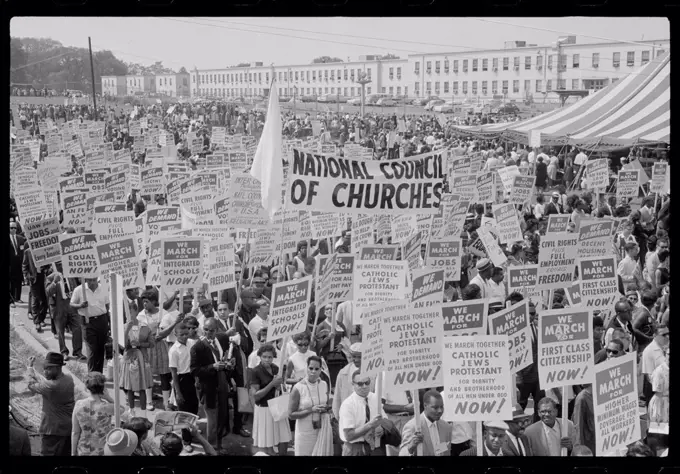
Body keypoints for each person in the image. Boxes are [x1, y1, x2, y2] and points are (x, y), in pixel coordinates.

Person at [189, 317, 233, 453]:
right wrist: (212, 366)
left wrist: (227, 365)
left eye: (212, 330)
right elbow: (194, 370)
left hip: (222, 383)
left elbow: (224, 358)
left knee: (222, 416)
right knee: (212, 420)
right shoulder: (198, 347)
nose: (209, 333)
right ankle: (212, 447)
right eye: (206, 330)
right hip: (208, 388)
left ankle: (219, 444)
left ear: (217, 330)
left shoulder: (220, 339)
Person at [26, 352, 75, 456]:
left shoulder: (51, 386)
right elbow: (44, 382)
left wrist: (29, 367)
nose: (45, 371)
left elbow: (30, 385)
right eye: (44, 368)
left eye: (48, 368)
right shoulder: (69, 378)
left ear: (57, 368)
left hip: (52, 431)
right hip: (67, 428)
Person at [137, 288, 178, 411]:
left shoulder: (164, 313)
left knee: (164, 374)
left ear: (154, 301)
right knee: (148, 374)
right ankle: (149, 401)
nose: (145, 304)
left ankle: (166, 402)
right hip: (148, 347)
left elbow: (167, 332)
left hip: (161, 346)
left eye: (147, 302)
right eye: (143, 302)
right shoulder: (141, 315)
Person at [249, 343, 291, 456]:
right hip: (264, 409)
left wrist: (281, 385)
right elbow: (256, 396)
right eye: (264, 357)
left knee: (284, 436)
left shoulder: (276, 368)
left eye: (270, 357)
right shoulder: (255, 371)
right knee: (267, 443)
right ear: (260, 356)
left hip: (277, 406)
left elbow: (280, 387)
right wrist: (272, 384)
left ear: (273, 357)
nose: (267, 359)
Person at [288, 355, 333, 456]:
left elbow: (327, 401)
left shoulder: (324, 384)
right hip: (304, 432)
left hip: (321, 429)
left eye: (317, 369)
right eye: (311, 368)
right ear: (306, 368)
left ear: (321, 370)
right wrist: (311, 410)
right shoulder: (298, 388)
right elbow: (291, 415)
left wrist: (327, 407)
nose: (313, 371)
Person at [338, 370, 388, 456]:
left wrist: (382, 429)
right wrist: (370, 425)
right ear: (353, 384)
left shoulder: (375, 398)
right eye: (360, 384)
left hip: (375, 447)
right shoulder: (348, 404)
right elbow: (348, 435)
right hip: (355, 448)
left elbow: (385, 420)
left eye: (367, 382)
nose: (364, 386)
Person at [399, 390, 459, 456]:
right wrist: (410, 447)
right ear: (425, 406)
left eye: (441, 407)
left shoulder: (446, 427)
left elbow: (440, 450)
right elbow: (402, 454)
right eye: (435, 408)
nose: (440, 411)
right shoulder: (412, 426)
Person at [120, 303, 154, 418]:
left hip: (141, 358)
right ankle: (131, 410)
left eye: (130, 311)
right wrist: (126, 330)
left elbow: (152, 343)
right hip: (129, 358)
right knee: (129, 387)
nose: (128, 314)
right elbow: (122, 346)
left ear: (135, 311)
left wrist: (140, 343)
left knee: (142, 387)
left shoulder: (144, 326)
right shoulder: (123, 327)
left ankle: (144, 413)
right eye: (126, 312)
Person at [70, 277, 110, 373]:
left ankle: (99, 375)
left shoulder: (103, 288)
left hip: (102, 320)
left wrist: (109, 323)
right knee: (92, 350)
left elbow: (107, 305)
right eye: (89, 280)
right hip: (88, 322)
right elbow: (71, 304)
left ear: (97, 279)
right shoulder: (79, 290)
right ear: (85, 280)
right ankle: (91, 376)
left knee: (101, 349)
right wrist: (80, 306)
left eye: (94, 280)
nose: (92, 283)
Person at [71, 372, 117, 456]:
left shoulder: (79, 404)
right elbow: (121, 410)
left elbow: (75, 432)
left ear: (86, 387)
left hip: (83, 449)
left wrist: (73, 453)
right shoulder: (107, 407)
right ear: (103, 389)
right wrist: (108, 398)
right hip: (102, 450)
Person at [45, 263, 84, 360]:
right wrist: (54, 282)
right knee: (60, 331)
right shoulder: (50, 277)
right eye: (59, 264)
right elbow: (48, 292)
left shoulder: (70, 273)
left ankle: (78, 351)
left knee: (77, 327)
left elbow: (75, 288)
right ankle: (64, 352)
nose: (61, 266)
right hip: (59, 306)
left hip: (71, 304)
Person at [333, 343, 371, 419]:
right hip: (347, 416)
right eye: (354, 356)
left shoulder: (373, 373)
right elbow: (337, 397)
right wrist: (338, 418)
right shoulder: (343, 372)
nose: (356, 360)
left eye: (359, 357)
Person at [169, 323, 199, 415]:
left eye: (186, 334)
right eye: (181, 335)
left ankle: (192, 427)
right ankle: (185, 429)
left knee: (194, 405)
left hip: (193, 376)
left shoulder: (192, 343)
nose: (185, 336)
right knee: (184, 408)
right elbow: (173, 372)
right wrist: (178, 392)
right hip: (182, 379)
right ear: (175, 335)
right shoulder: (174, 350)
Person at [641, 325, 669, 404]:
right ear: (654, 336)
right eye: (663, 335)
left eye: (668, 334)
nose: (667, 337)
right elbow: (649, 377)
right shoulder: (649, 351)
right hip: (657, 393)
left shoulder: (667, 346)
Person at [23, 247, 48, 333]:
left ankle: (41, 318)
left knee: (44, 300)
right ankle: (37, 322)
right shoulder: (28, 251)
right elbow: (24, 266)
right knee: (35, 300)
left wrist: (45, 268)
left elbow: (48, 263)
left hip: (43, 278)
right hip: (34, 279)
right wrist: (28, 277)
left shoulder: (43, 249)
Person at [571, 384, 595, 455]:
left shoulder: (599, 394)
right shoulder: (582, 398)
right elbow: (578, 425)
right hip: (589, 443)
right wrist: (579, 449)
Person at [648, 348, 669, 424]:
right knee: (660, 432)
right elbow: (658, 394)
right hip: (661, 403)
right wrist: (658, 413)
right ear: (664, 354)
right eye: (669, 354)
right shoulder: (659, 371)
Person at [9, 219, 26, 303]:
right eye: (11, 228)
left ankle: (17, 297)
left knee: (19, 280)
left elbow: (22, 250)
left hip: (19, 262)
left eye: (14, 228)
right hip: (10, 263)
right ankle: (11, 299)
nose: (13, 229)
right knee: (11, 281)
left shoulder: (20, 238)